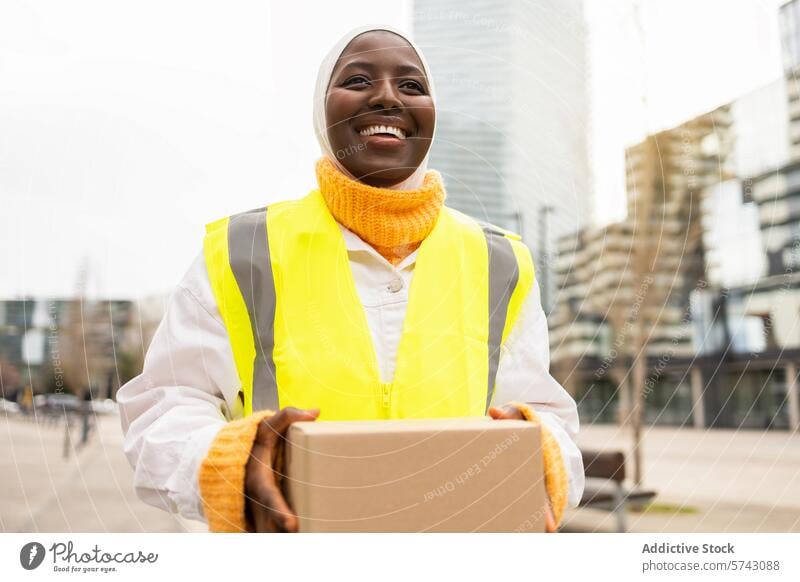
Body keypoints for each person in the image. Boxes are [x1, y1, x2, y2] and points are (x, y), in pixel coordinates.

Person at [118, 25, 584, 533]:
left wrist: (540, 455)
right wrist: (225, 461)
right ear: (322, 110)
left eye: (412, 85)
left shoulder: (501, 263)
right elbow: (161, 411)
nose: (386, 96)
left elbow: (548, 415)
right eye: (358, 79)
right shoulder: (240, 252)